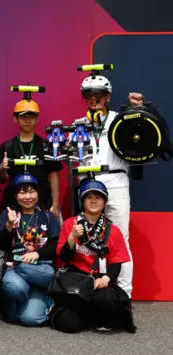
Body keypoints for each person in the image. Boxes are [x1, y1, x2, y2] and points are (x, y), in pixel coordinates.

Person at [69, 73, 145, 299]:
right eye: (89, 95)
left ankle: (124, 295)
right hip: (88, 183)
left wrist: (137, 110)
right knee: (89, 241)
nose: (94, 99)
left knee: (121, 239)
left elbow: (142, 134)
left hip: (116, 181)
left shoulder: (121, 119)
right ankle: (92, 293)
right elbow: (71, 156)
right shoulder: (78, 125)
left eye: (99, 95)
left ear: (108, 96)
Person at [51, 179, 136, 333]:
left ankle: (95, 313)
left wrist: (106, 278)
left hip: (100, 280)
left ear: (105, 202)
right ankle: (85, 314)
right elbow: (64, 258)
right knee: (67, 324)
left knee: (107, 300)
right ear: (82, 201)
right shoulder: (70, 224)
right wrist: (71, 238)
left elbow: (116, 262)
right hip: (76, 279)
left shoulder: (113, 230)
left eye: (98, 197)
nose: (94, 200)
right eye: (89, 197)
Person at [0, 174, 59, 326]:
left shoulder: (47, 216)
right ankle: (19, 304)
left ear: (38, 193)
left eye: (31, 191)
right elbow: (2, 246)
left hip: (40, 270)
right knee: (14, 286)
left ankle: (39, 299)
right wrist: (9, 226)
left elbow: (56, 246)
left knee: (31, 319)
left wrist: (37, 253)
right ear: (15, 195)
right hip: (15, 269)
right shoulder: (8, 214)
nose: (27, 196)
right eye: (22, 192)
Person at [0, 95, 63, 219]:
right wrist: (2, 169)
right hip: (14, 205)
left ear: (37, 119)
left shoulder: (46, 146)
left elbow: (53, 176)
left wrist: (55, 205)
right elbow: (2, 179)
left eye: (31, 117)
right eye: (23, 117)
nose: (27, 121)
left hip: (42, 204)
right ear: (15, 119)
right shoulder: (7, 146)